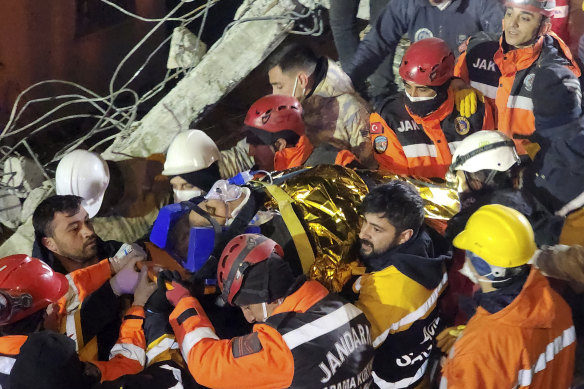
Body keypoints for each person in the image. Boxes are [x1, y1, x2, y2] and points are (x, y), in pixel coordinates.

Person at [160, 233, 374, 388]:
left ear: (265, 296)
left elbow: (206, 364)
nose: (249, 317)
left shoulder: (281, 348)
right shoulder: (350, 311)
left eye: (247, 306)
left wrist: (184, 302)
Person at [440, 204, 576, 388]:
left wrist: (456, 364)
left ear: (482, 266)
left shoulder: (478, 351)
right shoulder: (555, 303)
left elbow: (500, 350)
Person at [345, 181, 450, 388]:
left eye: (376, 229)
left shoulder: (388, 292)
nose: (362, 233)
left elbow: (350, 350)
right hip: (419, 368)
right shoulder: (431, 246)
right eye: (364, 222)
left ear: (404, 236)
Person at [0, 254, 156, 385]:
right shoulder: (51, 368)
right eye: (53, 305)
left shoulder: (12, 341)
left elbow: (70, 300)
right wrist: (137, 308)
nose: (57, 307)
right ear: (46, 313)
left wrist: (112, 271)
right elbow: (127, 368)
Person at [453, 0, 581, 153]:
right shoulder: (477, 51)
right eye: (509, 14)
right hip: (476, 166)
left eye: (525, 18)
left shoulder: (557, 75)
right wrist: (456, 84)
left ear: (544, 27)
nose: (512, 23)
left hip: (526, 171)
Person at [370, 38, 495, 178]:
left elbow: (489, 166)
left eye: (422, 90)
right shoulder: (389, 117)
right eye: (407, 86)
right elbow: (395, 180)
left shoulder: (475, 110)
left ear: (443, 86)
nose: (413, 96)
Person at [346, 0, 504, 102]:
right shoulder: (409, 4)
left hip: (469, 93)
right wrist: (347, 82)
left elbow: (505, 48)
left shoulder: (483, 4)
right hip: (423, 92)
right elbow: (376, 43)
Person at [266, 43, 376, 168]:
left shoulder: (351, 109)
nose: (274, 94)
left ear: (302, 80)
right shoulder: (299, 110)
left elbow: (371, 168)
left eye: (279, 86)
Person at [446, 130, 564, 246]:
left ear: (477, 181)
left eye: (462, 181)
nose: (460, 191)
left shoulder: (476, 223)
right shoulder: (543, 186)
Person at [244, 94, 358, 171]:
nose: (250, 152)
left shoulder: (338, 164)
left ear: (280, 144)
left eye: (254, 144)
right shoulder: (264, 183)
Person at [32, 195, 126, 273]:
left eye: (87, 221)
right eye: (74, 229)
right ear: (50, 244)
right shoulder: (51, 291)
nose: (90, 232)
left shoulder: (116, 252)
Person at [162, 129, 254, 203]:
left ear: (210, 179)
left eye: (188, 186)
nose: (179, 194)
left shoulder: (262, 154)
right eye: (174, 186)